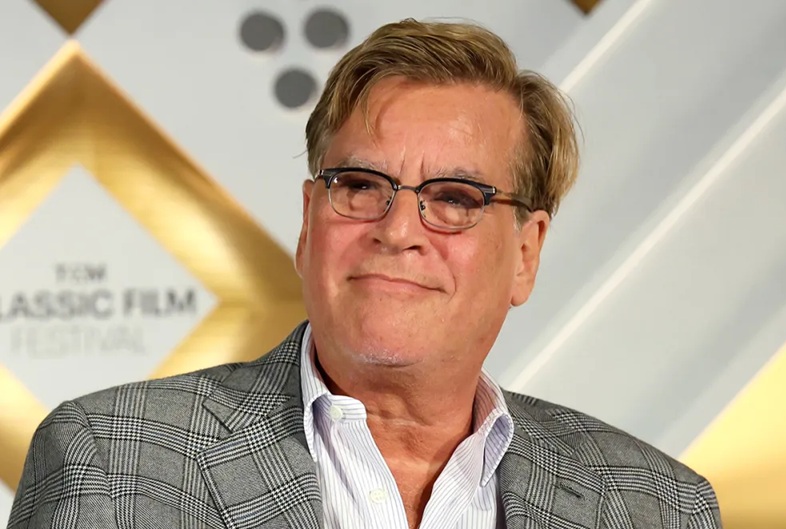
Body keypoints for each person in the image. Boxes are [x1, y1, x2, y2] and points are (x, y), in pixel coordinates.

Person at [8, 18, 722, 529]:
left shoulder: (656, 506)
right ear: (308, 222)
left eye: (454, 198)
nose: (398, 229)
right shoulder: (109, 461)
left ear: (526, 253)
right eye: (359, 185)